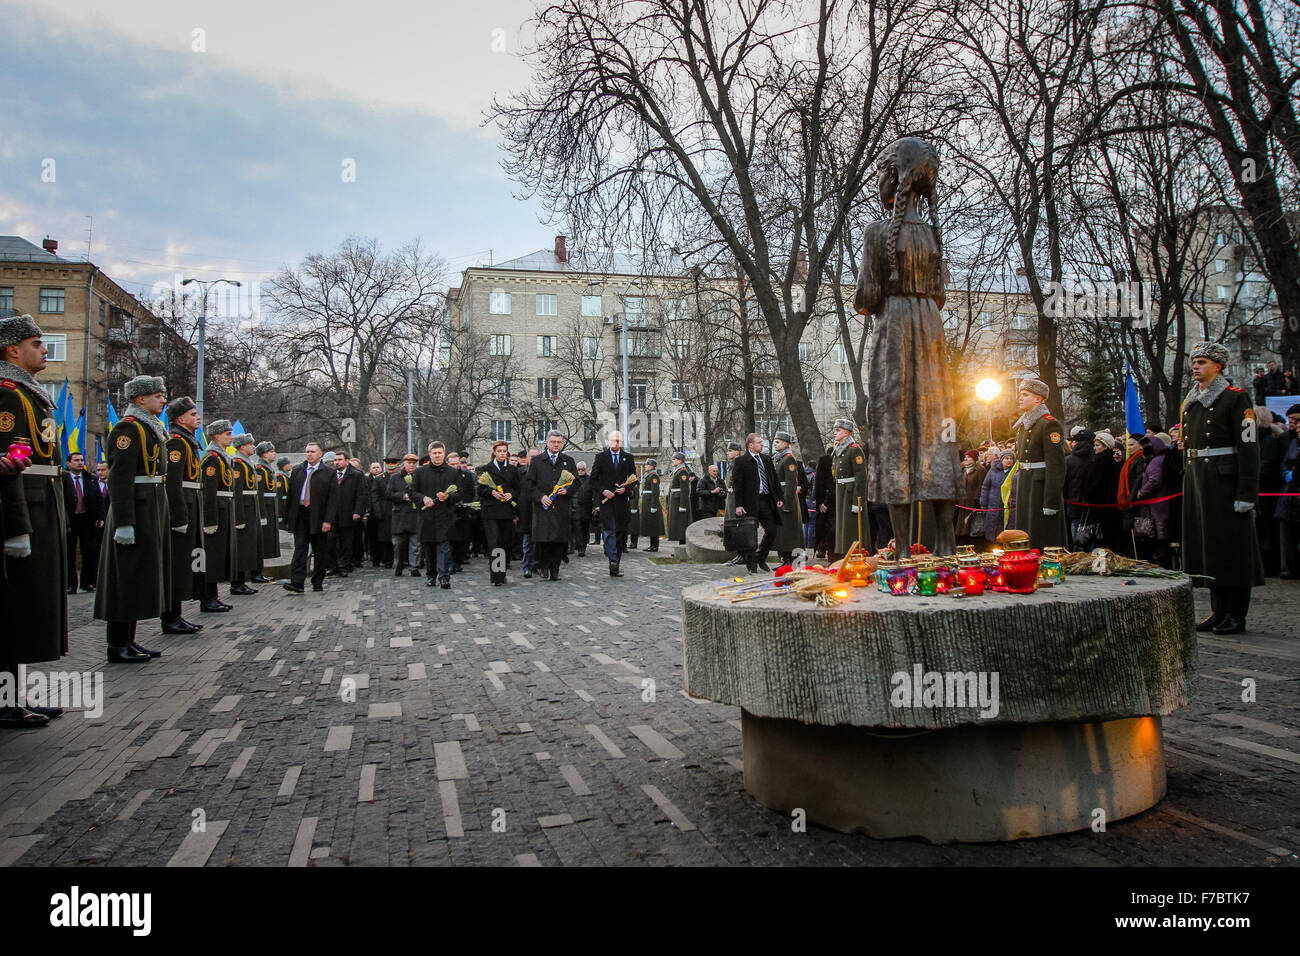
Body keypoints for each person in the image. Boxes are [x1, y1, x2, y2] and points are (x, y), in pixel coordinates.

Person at [853, 136, 962, 558]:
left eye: (884, 172)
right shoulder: (932, 235)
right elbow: (939, 293)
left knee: (894, 425)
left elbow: (867, 296)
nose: (879, 181)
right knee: (937, 425)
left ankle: (900, 548)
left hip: (895, 330)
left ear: (897, 179)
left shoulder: (877, 232)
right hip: (930, 332)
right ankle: (945, 543)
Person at [0, 314, 69, 725]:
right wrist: (16, 526)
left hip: (40, 502)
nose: (45, 350)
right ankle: (5, 702)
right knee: (12, 607)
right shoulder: (8, 394)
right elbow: (9, 462)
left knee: (28, 604)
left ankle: (15, 696)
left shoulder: (28, 392)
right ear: (12, 349)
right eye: (37, 343)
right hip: (24, 504)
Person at [1180, 340, 1264, 633]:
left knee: (1232, 548)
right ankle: (1218, 610)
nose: (1196, 366)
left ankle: (1237, 613)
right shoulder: (1191, 400)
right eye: (1194, 361)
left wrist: (1247, 492)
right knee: (1209, 547)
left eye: (1202, 362)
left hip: (1225, 481)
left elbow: (1249, 446)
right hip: (1198, 480)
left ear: (1218, 365)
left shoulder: (1236, 398)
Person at [95, 374, 171, 663]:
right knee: (125, 576)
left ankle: (129, 638)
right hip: (135, 509)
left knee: (138, 574)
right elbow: (119, 476)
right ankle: (117, 644)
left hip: (149, 505)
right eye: (157, 395)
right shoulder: (128, 429)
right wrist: (124, 520)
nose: (162, 399)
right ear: (140, 399)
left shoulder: (149, 427)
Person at [160, 396, 205, 634]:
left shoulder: (188, 441)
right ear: (180, 419)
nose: (197, 417)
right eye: (193, 414)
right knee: (176, 565)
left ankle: (176, 615)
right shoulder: (176, 442)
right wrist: (178, 517)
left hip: (190, 503)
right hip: (182, 507)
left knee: (185, 563)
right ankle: (170, 617)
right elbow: (173, 483)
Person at [1012, 379, 1067, 549]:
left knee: (1041, 531)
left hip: (1040, 486)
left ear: (1038, 399)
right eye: (1020, 394)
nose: (1020, 398)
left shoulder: (1049, 424)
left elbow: (1056, 465)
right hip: (1026, 482)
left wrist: (1051, 501)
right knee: (1025, 529)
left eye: (1025, 395)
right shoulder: (1024, 425)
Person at [282, 442, 337, 593]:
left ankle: (317, 580)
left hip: (319, 515)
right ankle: (297, 582)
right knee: (300, 548)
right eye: (307, 451)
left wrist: (328, 520)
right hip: (300, 514)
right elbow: (291, 496)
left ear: (320, 454)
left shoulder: (328, 472)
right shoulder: (298, 470)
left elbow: (333, 499)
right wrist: (288, 517)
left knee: (319, 550)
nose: (309, 454)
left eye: (313, 451)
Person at [524, 430, 577, 581]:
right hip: (543, 509)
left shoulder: (568, 460)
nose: (556, 445)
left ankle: (555, 569)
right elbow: (529, 484)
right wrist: (540, 497)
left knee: (558, 541)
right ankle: (543, 566)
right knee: (543, 540)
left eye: (559, 442)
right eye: (553, 442)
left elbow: (576, 483)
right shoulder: (537, 461)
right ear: (547, 442)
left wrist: (566, 491)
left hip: (560, 508)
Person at [198, 420, 238, 612]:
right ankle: (207, 598)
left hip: (224, 507)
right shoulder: (212, 457)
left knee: (218, 554)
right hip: (216, 510)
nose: (231, 437)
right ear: (216, 436)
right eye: (227, 434)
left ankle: (212, 596)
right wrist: (210, 519)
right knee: (211, 556)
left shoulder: (222, 456)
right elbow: (209, 490)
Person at [412, 441, 462, 588]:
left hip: (445, 516)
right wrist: (423, 499)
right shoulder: (420, 472)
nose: (437, 455)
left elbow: (460, 493)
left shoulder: (452, 472)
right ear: (430, 454)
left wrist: (448, 497)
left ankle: (444, 577)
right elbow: (412, 492)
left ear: (444, 454)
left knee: (444, 548)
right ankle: (431, 576)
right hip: (427, 517)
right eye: (434, 453)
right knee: (429, 549)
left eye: (440, 453)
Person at [589, 430, 638, 575]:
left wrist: (626, 488)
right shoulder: (601, 457)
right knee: (609, 532)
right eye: (613, 440)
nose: (615, 443)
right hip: (607, 502)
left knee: (620, 533)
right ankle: (613, 561)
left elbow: (634, 477)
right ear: (608, 442)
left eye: (618, 441)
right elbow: (593, 480)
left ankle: (616, 561)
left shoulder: (628, 457)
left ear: (621, 442)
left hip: (622, 502)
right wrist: (603, 490)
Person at [732, 432, 781, 572]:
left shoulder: (766, 459)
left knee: (771, 530)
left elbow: (774, 480)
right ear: (751, 445)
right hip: (749, 502)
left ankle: (761, 557)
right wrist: (739, 505)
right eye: (759, 442)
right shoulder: (741, 461)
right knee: (750, 534)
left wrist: (779, 498)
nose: (762, 444)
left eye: (762, 442)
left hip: (765, 500)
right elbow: (738, 485)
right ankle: (751, 564)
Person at [477, 440, 519, 586]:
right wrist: (492, 492)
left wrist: (511, 494)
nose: (502, 454)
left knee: (505, 543)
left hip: (507, 511)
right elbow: (480, 489)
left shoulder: (513, 470)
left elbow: (518, 488)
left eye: (504, 451)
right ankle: (496, 576)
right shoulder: (486, 469)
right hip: (491, 511)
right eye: (499, 451)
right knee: (495, 543)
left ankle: (503, 573)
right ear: (494, 452)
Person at [62, 450, 103, 594]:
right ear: (68, 463)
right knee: (70, 553)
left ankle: (87, 582)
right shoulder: (63, 478)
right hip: (70, 520)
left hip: (87, 520)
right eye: (76, 460)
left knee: (89, 553)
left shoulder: (90, 479)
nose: (80, 463)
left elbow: (99, 499)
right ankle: (71, 584)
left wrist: (100, 517)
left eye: (81, 460)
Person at [828, 419, 867, 562]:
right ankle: (845, 554)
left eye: (838, 430)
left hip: (850, 493)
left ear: (846, 432)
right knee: (842, 527)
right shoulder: (840, 449)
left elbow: (861, 477)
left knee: (850, 526)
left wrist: (858, 500)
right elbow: (835, 472)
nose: (835, 433)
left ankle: (855, 555)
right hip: (841, 491)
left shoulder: (854, 449)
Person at [228, 434, 262, 595]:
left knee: (247, 546)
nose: (253, 447)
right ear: (242, 446)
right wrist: (239, 517)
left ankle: (241, 581)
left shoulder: (247, 462)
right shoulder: (238, 463)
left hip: (250, 508)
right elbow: (237, 491)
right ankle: (237, 583)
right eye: (250, 444)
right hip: (244, 509)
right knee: (241, 548)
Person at [386, 453, 422, 576]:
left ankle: (414, 567)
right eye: (409, 463)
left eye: (414, 463)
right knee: (398, 544)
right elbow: (389, 494)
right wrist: (402, 496)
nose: (411, 465)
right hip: (400, 514)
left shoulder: (419, 476)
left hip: (415, 514)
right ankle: (399, 564)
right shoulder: (395, 477)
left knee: (415, 544)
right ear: (404, 464)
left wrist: (416, 498)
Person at [770, 432, 803, 563]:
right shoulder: (779, 458)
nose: (775, 444)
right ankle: (784, 557)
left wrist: (787, 503)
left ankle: (789, 557)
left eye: (777, 442)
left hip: (786, 497)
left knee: (788, 529)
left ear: (785, 443)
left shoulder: (788, 458)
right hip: (779, 495)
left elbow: (791, 483)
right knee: (782, 529)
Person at [329, 451, 363, 577]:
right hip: (332, 514)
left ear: (347, 461)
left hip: (348, 513)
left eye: (340, 459)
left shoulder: (355, 475)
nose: (337, 462)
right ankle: (333, 566)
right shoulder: (331, 474)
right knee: (331, 541)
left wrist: (358, 511)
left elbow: (361, 495)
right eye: (335, 460)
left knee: (346, 542)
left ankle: (343, 566)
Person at [1276, 404, 1300, 578]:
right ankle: (1289, 567)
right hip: (1288, 494)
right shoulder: (1288, 440)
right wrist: (1286, 473)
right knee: (1287, 533)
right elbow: (1284, 461)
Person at [253, 441, 281, 579]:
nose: (273, 453)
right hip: (265, 506)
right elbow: (259, 493)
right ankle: (257, 573)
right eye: (271, 451)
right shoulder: (260, 469)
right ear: (264, 454)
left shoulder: (267, 468)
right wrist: (262, 515)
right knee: (262, 541)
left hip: (271, 505)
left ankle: (259, 572)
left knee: (267, 541)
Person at [1063, 428, 1094, 547]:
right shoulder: (1094, 458)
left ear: (1077, 443)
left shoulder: (1069, 460)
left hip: (1072, 502)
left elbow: (1064, 484)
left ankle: (1076, 554)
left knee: (1075, 532)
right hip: (1090, 504)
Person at [955, 450, 989, 547]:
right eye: (965, 457)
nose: (966, 459)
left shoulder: (980, 470)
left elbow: (981, 485)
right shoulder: (964, 470)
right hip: (962, 503)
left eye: (969, 457)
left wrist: (977, 500)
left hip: (973, 503)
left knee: (973, 528)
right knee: (962, 528)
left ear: (974, 459)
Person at [980, 449, 1015, 543]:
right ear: (1001, 460)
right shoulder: (993, 470)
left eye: (1011, 458)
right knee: (992, 527)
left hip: (1007, 506)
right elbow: (985, 486)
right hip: (993, 504)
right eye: (1006, 458)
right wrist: (983, 502)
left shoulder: (1015, 472)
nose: (1009, 460)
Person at [368, 460, 396, 568]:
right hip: (384, 511)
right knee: (385, 538)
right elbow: (374, 496)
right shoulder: (380, 479)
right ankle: (387, 559)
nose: (391, 470)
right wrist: (378, 512)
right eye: (389, 468)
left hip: (397, 510)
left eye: (393, 468)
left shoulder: (399, 477)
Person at [665, 451, 696, 546]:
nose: (672, 460)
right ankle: (680, 546)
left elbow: (684, 489)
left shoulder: (682, 471)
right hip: (675, 500)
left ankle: (683, 547)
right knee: (677, 523)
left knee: (682, 523)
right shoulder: (677, 471)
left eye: (674, 459)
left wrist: (683, 505)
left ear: (680, 460)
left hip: (679, 501)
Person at [634, 459, 663, 554]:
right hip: (647, 502)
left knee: (654, 525)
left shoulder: (654, 476)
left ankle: (655, 546)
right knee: (650, 524)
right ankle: (652, 545)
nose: (645, 466)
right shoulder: (648, 475)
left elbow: (655, 492)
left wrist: (653, 506)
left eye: (647, 465)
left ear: (651, 466)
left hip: (651, 502)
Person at [570, 460, 590, 557]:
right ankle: (580, 547)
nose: (581, 471)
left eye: (583, 469)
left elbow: (594, 492)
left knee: (585, 528)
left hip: (586, 508)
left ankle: (583, 546)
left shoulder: (590, 479)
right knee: (577, 527)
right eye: (579, 469)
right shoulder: (573, 479)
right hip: (575, 507)